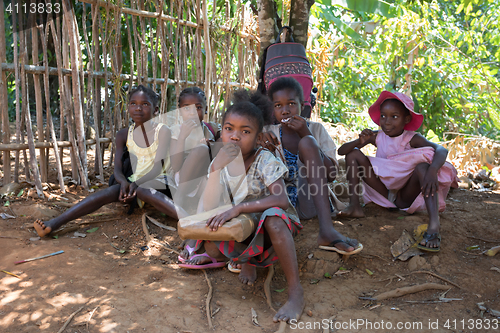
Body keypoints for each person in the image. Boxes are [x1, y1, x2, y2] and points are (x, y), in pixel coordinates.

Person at [180, 90, 304, 323]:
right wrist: (216, 169)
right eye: (229, 129)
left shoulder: (264, 159)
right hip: (243, 229)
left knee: (273, 218)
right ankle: (246, 260)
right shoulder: (221, 161)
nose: (235, 137)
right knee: (213, 235)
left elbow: (281, 200)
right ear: (222, 132)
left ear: (258, 138)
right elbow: (210, 205)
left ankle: (295, 292)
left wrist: (238, 209)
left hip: (271, 229)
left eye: (245, 132)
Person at [34, 85, 179, 236]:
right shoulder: (123, 134)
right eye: (133, 103)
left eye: (145, 104)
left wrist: (136, 184)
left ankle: (189, 221)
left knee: (143, 189)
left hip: (160, 182)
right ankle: (54, 224)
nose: (138, 108)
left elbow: (157, 167)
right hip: (134, 183)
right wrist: (123, 183)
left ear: (156, 110)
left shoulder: (162, 131)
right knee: (109, 192)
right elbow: (117, 168)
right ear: (128, 107)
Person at [337, 91, 459, 252]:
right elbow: (342, 151)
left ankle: (434, 227)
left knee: (423, 167)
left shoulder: (412, 138)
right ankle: (354, 206)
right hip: (383, 192)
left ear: (406, 119)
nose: (387, 122)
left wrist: (432, 171)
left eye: (394, 116)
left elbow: (441, 149)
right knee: (353, 154)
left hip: (404, 197)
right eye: (383, 116)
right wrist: (360, 141)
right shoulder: (378, 137)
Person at [260, 77, 362, 255]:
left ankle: (327, 230)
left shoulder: (316, 130)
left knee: (307, 143)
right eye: (278, 106)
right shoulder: (268, 133)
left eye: (291, 103)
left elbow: (331, 175)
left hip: (310, 202)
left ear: (302, 105)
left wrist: (305, 134)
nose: (285, 111)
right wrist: (260, 145)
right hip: (280, 206)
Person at [169, 87, 221, 211]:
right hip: (181, 178)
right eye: (186, 108)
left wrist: (212, 145)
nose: (192, 113)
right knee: (201, 150)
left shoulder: (212, 128)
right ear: (180, 111)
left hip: (204, 177)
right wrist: (182, 137)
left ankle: (200, 213)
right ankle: (180, 196)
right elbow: (175, 165)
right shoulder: (176, 131)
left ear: (206, 109)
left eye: (198, 107)